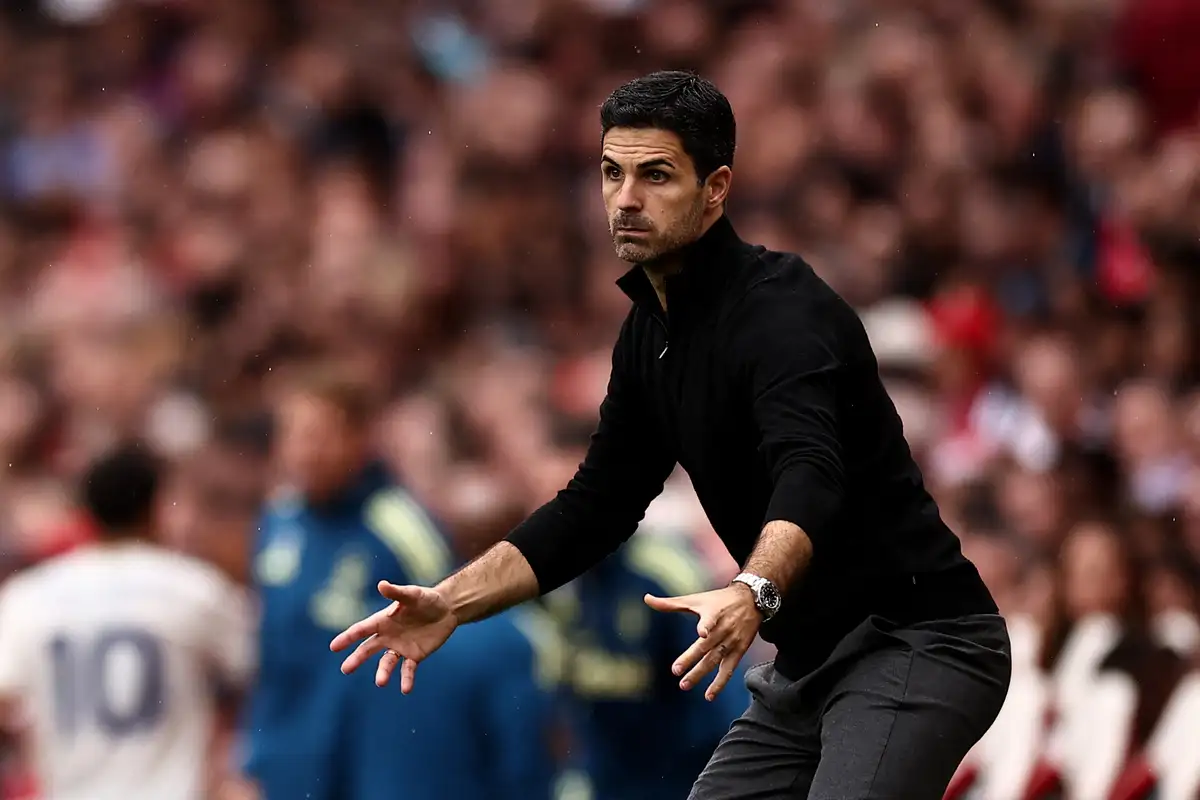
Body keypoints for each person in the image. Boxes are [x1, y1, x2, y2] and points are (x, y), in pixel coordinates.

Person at [332, 71, 1012, 800]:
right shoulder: (648, 336)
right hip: (812, 665)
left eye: (655, 175)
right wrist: (451, 601)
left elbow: (812, 472)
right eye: (612, 173)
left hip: (919, 639)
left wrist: (753, 590)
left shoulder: (784, 313)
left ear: (715, 188)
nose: (626, 198)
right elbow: (594, 508)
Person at [239, 364, 559, 800]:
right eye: (293, 435)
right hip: (286, 761)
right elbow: (271, 659)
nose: (304, 451)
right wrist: (252, 757)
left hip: (370, 761)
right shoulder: (278, 521)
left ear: (360, 437)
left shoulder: (402, 527)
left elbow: (448, 642)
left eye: (319, 436)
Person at [0, 443, 255, 800]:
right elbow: (257, 666)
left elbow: (6, 699)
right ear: (154, 508)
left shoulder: (28, 596)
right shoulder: (194, 588)